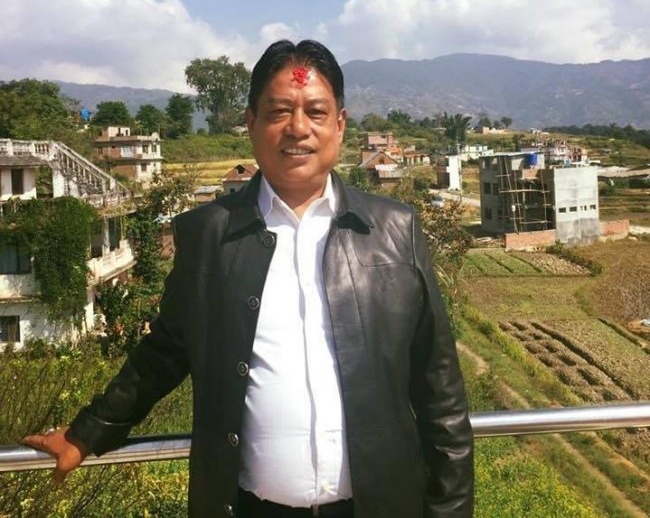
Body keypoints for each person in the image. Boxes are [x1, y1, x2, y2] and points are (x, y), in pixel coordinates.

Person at [23, 40, 474, 517]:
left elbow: (439, 387)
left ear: (340, 124)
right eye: (279, 111)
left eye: (315, 112)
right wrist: (86, 434)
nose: (298, 128)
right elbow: (164, 353)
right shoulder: (209, 235)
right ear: (251, 122)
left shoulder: (393, 230)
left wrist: (451, 509)